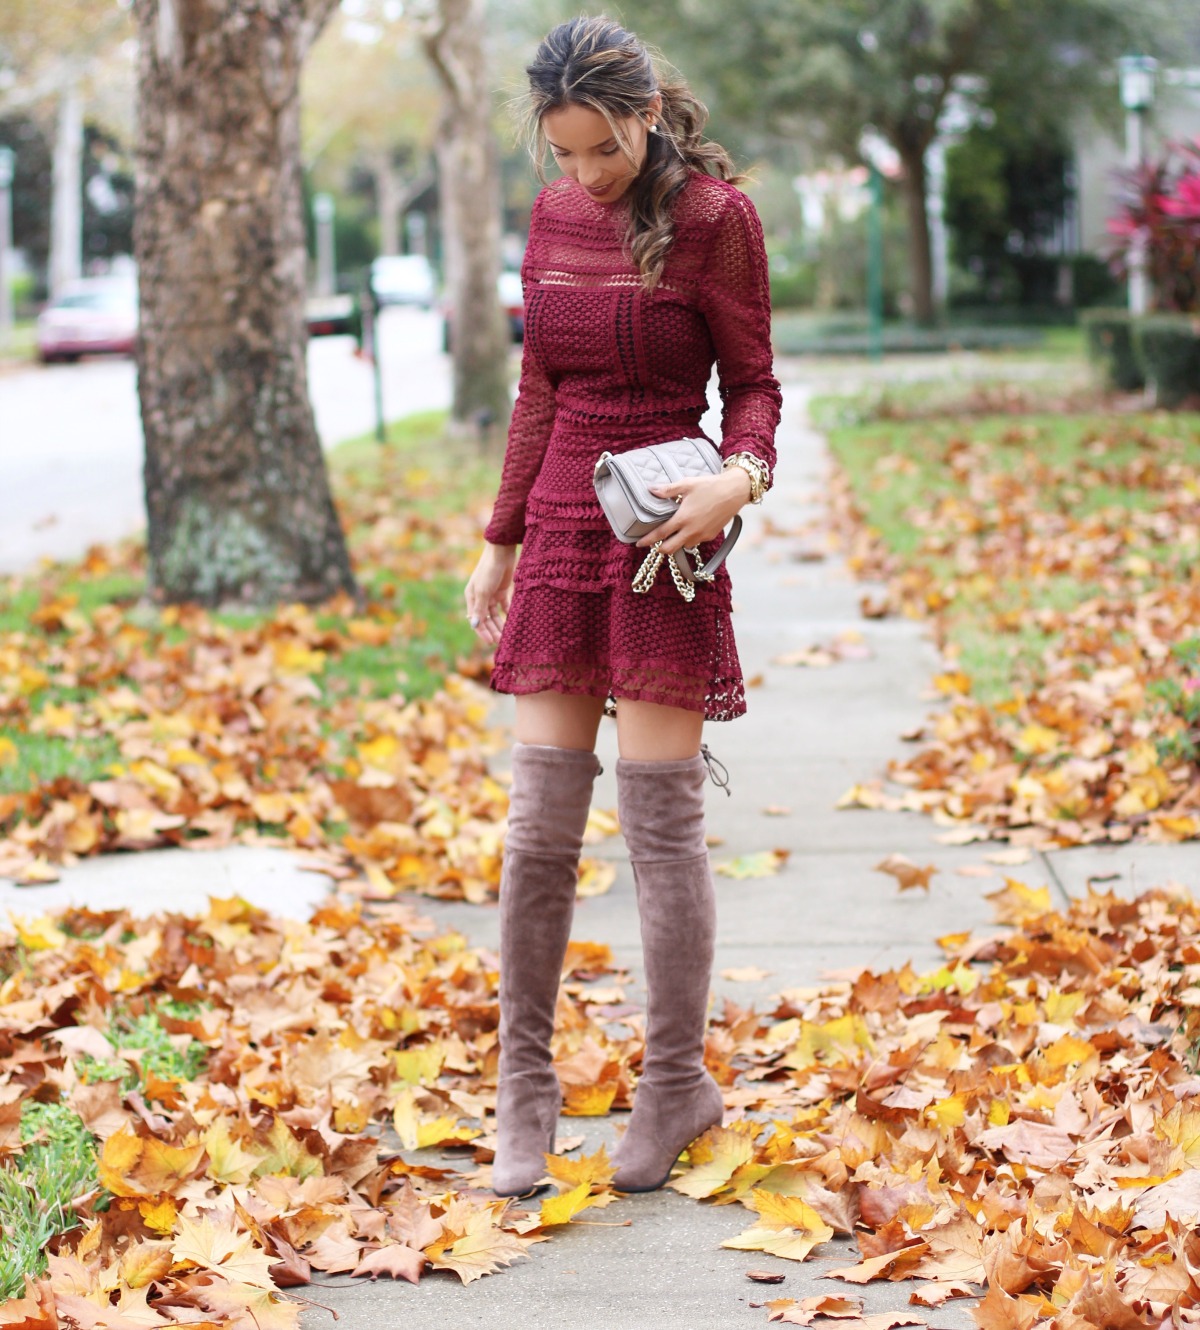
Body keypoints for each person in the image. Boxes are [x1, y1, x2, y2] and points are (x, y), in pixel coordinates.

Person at [463, 15, 780, 1197]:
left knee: (660, 828)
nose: (586, 173)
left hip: (661, 535)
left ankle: (675, 1085)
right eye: (566, 152)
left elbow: (754, 388)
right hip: (558, 523)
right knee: (539, 829)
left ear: (647, 117)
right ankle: (524, 1094)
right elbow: (539, 382)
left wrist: (734, 480)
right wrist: (500, 538)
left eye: (603, 147)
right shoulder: (551, 217)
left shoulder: (718, 222)